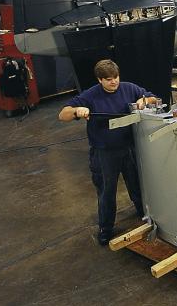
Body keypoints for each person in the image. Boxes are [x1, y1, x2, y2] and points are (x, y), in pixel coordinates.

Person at [58, 59, 157, 245]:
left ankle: (144, 214)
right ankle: (106, 228)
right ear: (100, 80)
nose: (114, 82)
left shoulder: (129, 88)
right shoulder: (91, 95)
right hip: (104, 153)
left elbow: (152, 98)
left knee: (138, 184)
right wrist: (77, 110)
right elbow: (62, 115)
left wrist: (143, 100)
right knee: (106, 192)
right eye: (109, 79)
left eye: (116, 77)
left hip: (129, 148)